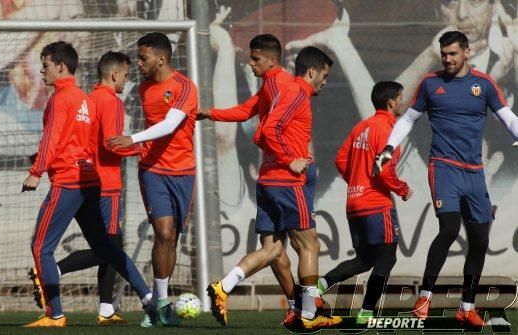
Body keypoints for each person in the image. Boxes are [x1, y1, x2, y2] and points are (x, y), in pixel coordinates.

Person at [374, 31, 518, 326]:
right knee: (450, 227)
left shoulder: (484, 84)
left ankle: (466, 307)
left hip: (474, 172)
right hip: (443, 167)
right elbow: (409, 118)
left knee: (479, 240)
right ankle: (424, 297)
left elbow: (507, 116)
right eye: (444, 54)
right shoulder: (431, 84)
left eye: (453, 53)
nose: (447, 59)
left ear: (467, 53)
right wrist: (389, 146)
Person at [200, 37, 341, 331]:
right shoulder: (291, 89)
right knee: (309, 245)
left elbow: (246, 112)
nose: (325, 82)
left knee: (274, 251)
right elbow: (266, 130)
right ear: (312, 72)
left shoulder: (271, 86)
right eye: (324, 76)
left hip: (268, 179)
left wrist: (210, 114)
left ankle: (225, 286)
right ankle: (308, 312)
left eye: (254, 59)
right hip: (287, 181)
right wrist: (290, 159)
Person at [22, 41, 155, 328]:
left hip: (70, 182)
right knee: (107, 248)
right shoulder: (83, 98)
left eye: (44, 65)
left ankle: (54, 315)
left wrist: (37, 169)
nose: (41, 71)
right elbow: (79, 141)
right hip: (90, 181)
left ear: (60, 67)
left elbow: (54, 139)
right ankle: (147, 298)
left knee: (41, 248)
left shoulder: (63, 98)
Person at [106, 32, 198, 328]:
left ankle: (161, 299)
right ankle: (158, 305)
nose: (139, 63)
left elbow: (170, 126)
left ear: (162, 58)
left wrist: (131, 137)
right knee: (164, 232)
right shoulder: (143, 88)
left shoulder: (185, 87)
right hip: (152, 170)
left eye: (143, 58)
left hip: (183, 171)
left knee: (172, 238)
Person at [317, 81, 412, 324]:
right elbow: (384, 170)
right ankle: (366, 313)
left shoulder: (362, 126)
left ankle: (321, 284)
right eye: (401, 98)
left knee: (365, 260)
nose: (404, 102)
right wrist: (402, 189)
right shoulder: (389, 130)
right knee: (387, 258)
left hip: (355, 203)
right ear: (391, 103)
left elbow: (340, 159)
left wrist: (357, 181)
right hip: (376, 205)